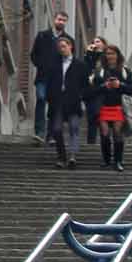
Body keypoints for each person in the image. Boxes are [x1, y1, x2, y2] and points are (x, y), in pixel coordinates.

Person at [89, 44, 132, 173]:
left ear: (118, 55)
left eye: (112, 53)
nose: (110, 56)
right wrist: (104, 86)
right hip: (103, 106)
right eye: (107, 53)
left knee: (117, 133)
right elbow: (92, 91)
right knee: (104, 134)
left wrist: (119, 85)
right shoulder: (99, 71)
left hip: (119, 107)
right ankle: (106, 160)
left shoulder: (125, 71)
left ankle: (118, 160)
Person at [29, 10, 69, 146]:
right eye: (59, 19)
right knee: (41, 99)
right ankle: (39, 132)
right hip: (43, 77)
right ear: (54, 19)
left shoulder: (68, 40)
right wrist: (41, 65)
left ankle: (51, 135)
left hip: (58, 80)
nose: (61, 22)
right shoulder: (42, 36)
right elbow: (33, 54)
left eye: (64, 20)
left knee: (54, 106)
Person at [50, 34, 88, 168]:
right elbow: (50, 82)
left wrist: (82, 99)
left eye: (64, 46)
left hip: (74, 101)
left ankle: (72, 156)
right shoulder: (54, 64)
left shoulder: (80, 65)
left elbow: (85, 85)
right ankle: (61, 156)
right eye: (59, 47)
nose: (61, 49)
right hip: (58, 102)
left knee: (74, 128)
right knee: (56, 129)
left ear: (70, 46)